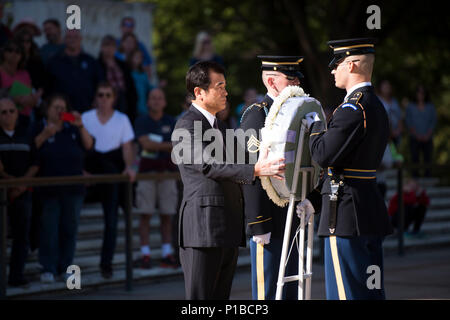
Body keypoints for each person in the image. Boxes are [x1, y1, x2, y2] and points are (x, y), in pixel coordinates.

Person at [173, 61, 285, 299]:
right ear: (199, 92)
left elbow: (246, 158)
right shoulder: (187, 124)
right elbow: (208, 165)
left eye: (225, 85)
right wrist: (254, 169)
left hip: (227, 228)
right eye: (219, 86)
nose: (225, 91)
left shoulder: (221, 127)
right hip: (203, 229)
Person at [297, 38, 393, 300]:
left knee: (345, 293)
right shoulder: (375, 105)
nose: (332, 70)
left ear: (351, 65)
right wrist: (315, 198)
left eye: (336, 64)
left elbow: (323, 154)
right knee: (370, 293)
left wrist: (315, 127)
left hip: (346, 215)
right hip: (366, 209)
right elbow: (346, 162)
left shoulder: (353, 107)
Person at [239, 56, 305, 300]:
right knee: (268, 293)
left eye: (298, 79)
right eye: (292, 79)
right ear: (271, 81)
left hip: (293, 215)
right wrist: (259, 222)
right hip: (270, 220)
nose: (297, 84)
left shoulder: (296, 115)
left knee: (290, 291)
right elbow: (251, 171)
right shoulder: (257, 116)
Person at [32, 94, 93, 283]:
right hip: (49, 189)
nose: (59, 111)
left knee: (69, 229)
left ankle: (66, 267)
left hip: (74, 189)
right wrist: (44, 135)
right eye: (55, 107)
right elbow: (29, 149)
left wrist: (80, 124)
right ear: (47, 109)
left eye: (62, 108)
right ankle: (48, 267)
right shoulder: (38, 127)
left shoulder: (72, 129)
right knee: (49, 229)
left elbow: (89, 145)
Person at [82, 82, 136, 279]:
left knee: (111, 220)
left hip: (112, 172)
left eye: (107, 95)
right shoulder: (85, 117)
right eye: (100, 95)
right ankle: (66, 270)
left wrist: (129, 166)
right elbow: (81, 146)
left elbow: (127, 147)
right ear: (95, 97)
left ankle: (107, 264)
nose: (103, 99)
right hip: (90, 168)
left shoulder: (122, 119)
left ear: (113, 98)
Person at [134, 88, 178, 269]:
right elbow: (145, 143)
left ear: (164, 102)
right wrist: (166, 145)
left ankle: (167, 253)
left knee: (167, 215)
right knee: (145, 214)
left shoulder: (171, 121)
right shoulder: (141, 121)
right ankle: (145, 254)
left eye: (160, 98)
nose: (156, 101)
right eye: (153, 98)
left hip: (168, 173)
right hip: (147, 174)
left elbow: (178, 145)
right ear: (147, 102)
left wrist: (157, 145)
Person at [0, 98, 38, 286]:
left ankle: (16, 276)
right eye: (3, 112)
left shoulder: (26, 134)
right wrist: (10, 182)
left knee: (22, 236)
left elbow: (35, 163)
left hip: (23, 192)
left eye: (11, 111)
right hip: (2, 192)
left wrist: (21, 185)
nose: (8, 115)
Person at [46, 29, 103, 113]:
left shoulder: (91, 61)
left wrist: (97, 101)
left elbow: (100, 83)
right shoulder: (54, 62)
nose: (72, 40)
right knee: (68, 124)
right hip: (63, 113)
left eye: (76, 37)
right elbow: (47, 86)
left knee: (81, 125)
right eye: (69, 37)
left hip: (87, 111)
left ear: (81, 39)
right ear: (64, 39)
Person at [0, 39, 42, 127]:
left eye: (18, 51)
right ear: (3, 52)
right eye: (10, 50)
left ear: (22, 55)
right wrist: (13, 98)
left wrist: (32, 99)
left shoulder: (24, 74)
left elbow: (31, 95)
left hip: (24, 118)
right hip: (4, 119)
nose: (14, 54)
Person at [98, 35, 137, 124]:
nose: (109, 49)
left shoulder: (123, 65)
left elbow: (131, 86)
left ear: (115, 48)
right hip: (107, 100)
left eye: (112, 46)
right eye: (106, 45)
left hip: (125, 102)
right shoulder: (97, 65)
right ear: (101, 47)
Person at [405, 85, 437, 178]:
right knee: (415, 158)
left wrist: (428, 134)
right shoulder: (410, 106)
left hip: (428, 137)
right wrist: (416, 135)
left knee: (428, 158)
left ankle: (428, 176)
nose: (420, 95)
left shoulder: (430, 107)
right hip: (414, 137)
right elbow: (408, 121)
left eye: (422, 93)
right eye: (418, 92)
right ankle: (415, 176)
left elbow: (433, 121)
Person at [127, 48, 153, 117]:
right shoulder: (126, 73)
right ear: (131, 58)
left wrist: (158, 86)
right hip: (130, 106)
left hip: (142, 107)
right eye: (136, 57)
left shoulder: (143, 74)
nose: (139, 59)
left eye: (140, 57)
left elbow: (148, 88)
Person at [377, 79, 403, 147]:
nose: (387, 87)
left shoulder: (394, 101)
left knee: (396, 156)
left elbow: (399, 117)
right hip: (383, 137)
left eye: (388, 85)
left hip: (396, 136)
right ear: (380, 87)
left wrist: (398, 130)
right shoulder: (377, 101)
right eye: (385, 86)